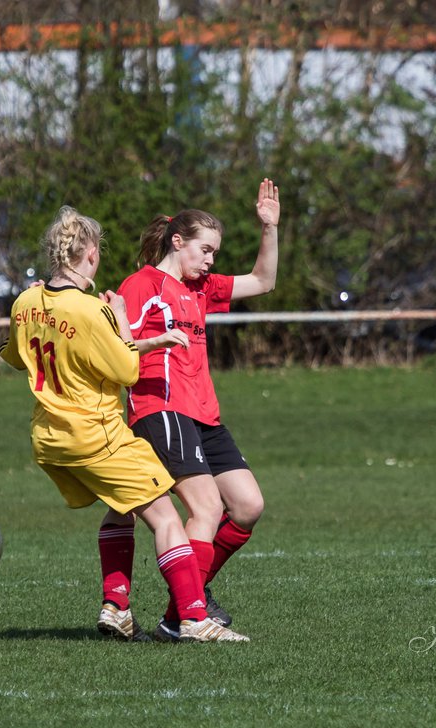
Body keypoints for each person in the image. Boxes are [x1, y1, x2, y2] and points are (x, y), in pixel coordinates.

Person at [0, 205, 249, 643]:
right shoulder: (93, 311)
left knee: (122, 504)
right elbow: (127, 371)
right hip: (95, 435)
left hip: (48, 440)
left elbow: (16, 355)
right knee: (169, 518)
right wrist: (118, 320)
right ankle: (191, 618)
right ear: (91, 254)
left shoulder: (25, 301)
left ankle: (116, 606)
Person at [97, 179, 280, 642]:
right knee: (206, 506)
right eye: (205, 250)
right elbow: (118, 347)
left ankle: (185, 605)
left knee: (248, 506)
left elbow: (263, 281)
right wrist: (154, 340)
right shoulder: (142, 285)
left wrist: (269, 228)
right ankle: (189, 616)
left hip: (204, 415)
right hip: (162, 409)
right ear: (177, 242)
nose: (210, 261)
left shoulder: (201, 289)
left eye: (215, 253)